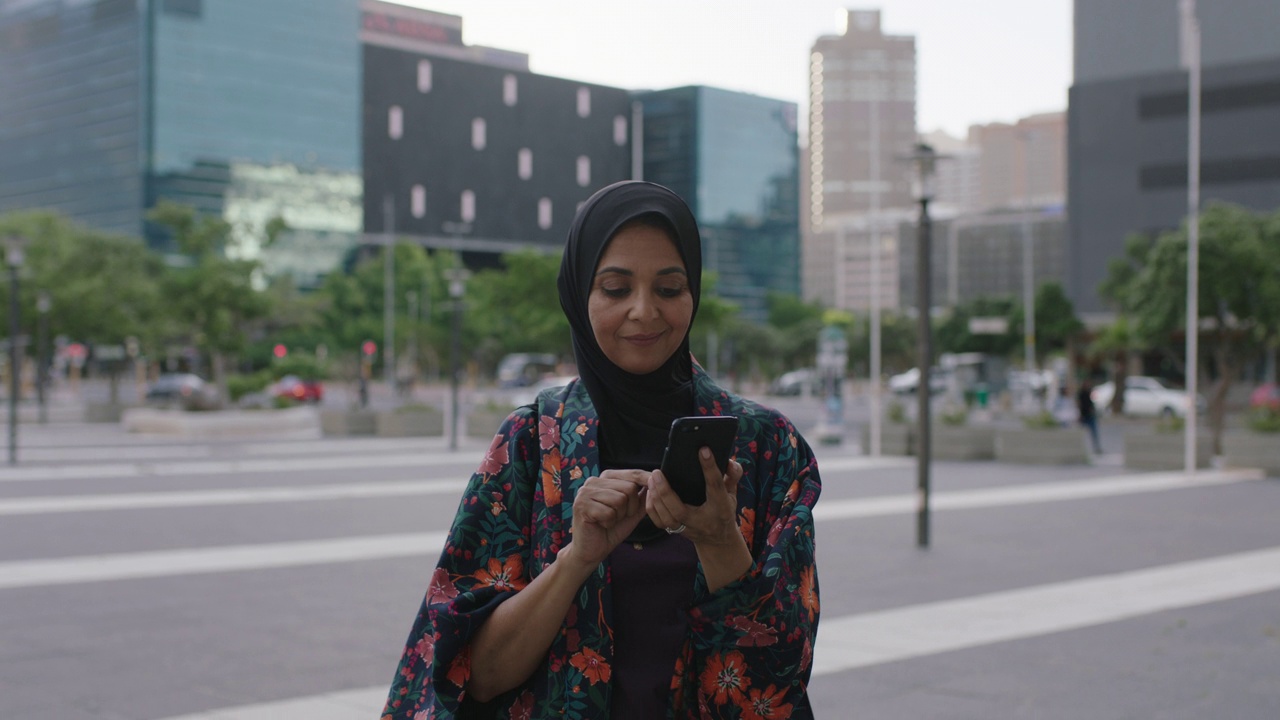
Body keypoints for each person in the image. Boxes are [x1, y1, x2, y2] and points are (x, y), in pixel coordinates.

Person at [382, 181, 822, 719]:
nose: (644, 312)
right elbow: (474, 676)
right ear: (578, 293)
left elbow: (782, 680)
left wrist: (718, 537)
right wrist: (576, 559)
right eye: (615, 288)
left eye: (669, 288)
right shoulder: (530, 443)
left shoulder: (766, 448)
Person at [1077, 379, 1103, 453]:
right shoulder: (1081, 394)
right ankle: (1083, 449)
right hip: (1084, 415)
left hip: (1090, 415)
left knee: (1094, 433)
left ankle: (1096, 448)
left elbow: (1091, 405)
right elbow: (1080, 404)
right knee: (1082, 434)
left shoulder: (1089, 393)